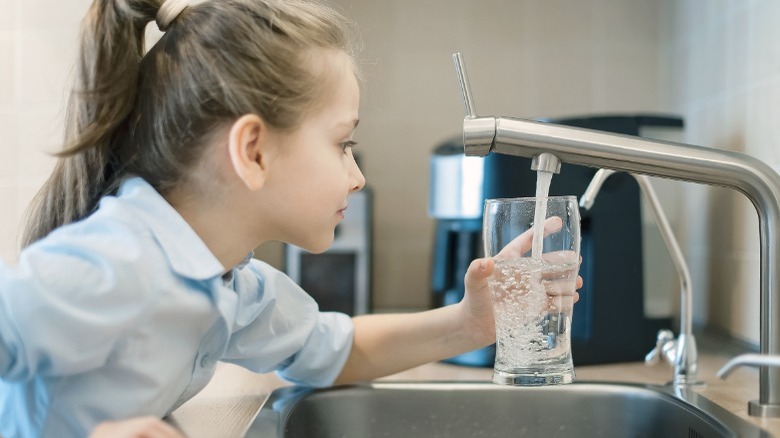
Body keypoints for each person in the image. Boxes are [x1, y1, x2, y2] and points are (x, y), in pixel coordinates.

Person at [0, 0, 581, 436]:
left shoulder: (227, 280)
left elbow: (334, 348)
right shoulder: (118, 261)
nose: (356, 176)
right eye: (342, 143)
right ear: (253, 152)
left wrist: (470, 323)